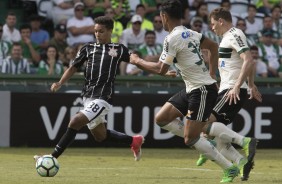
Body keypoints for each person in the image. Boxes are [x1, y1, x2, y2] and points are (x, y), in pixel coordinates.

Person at [130, 1, 240, 182]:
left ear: (164, 17)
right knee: (162, 118)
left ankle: (229, 169)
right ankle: (206, 143)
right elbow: (213, 47)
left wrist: (137, 61)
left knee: (190, 139)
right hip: (193, 89)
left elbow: (160, 69)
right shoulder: (191, 32)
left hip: (202, 90)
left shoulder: (171, 38)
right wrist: (212, 73)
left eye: (161, 18)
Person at [34, 16, 144, 163]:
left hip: (103, 98)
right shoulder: (88, 48)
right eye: (95, 31)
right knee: (100, 136)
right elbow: (73, 67)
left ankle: (51, 158)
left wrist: (160, 70)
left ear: (110, 31)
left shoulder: (118, 49)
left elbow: (137, 61)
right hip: (88, 97)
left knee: (75, 121)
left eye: (101, 31)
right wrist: (60, 82)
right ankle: (134, 141)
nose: (97, 34)